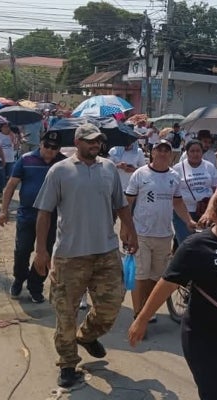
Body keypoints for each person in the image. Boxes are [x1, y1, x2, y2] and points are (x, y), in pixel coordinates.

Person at [128, 189, 217, 400]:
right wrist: (142, 319)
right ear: (214, 216)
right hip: (204, 338)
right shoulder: (195, 246)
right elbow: (167, 284)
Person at [32, 123, 137, 388]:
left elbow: (121, 204)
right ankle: (68, 364)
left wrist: (130, 230)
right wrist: (41, 250)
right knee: (66, 313)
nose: (95, 145)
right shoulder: (60, 171)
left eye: (98, 141)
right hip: (70, 256)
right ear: (77, 142)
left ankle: (87, 336)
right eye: (90, 141)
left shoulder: (109, 168)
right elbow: (44, 212)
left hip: (106, 251)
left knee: (111, 305)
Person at [125, 139, 197, 322]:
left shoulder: (174, 176)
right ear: (152, 153)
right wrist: (126, 228)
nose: (163, 153)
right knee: (141, 275)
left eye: (166, 150)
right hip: (141, 233)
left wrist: (188, 220)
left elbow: (178, 202)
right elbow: (128, 202)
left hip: (164, 235)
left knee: (156, 276)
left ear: (171, 155)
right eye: (159, 150)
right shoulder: (140, 174)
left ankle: (146, 309)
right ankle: (138, 315)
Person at [0, 131, 65, 303]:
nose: (50, 150)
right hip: (27, 215)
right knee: (22, 250)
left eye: (54, 147)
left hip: (52, 218)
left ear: (59, 149)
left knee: (46, 252)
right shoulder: (26, 160)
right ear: (40, 144)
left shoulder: (63, 163)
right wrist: (4, 210)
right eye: (47, 145)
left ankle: (36, 286)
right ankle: (19, 279)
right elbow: (11, 185)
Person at [173, 140, 217, 245]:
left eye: (198, 151)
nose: (195, 154)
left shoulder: (209, 166)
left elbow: (216, 189)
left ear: (202, 152)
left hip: (205, 212)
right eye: (192, 151)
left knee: (205, 243)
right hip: (184, 212)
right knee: (186, 243)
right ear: (187, 152)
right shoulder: (177, 168)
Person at [0, 123, 19, 203]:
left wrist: (16, 139)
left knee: (9, 178)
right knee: (1, 177)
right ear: (1, 128)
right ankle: (0, 193)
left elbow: (16, 147)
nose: (6, 128)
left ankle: (6, 193)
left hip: (10, 160)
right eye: (4, 127)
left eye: (8, 127)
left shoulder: (12, 135)